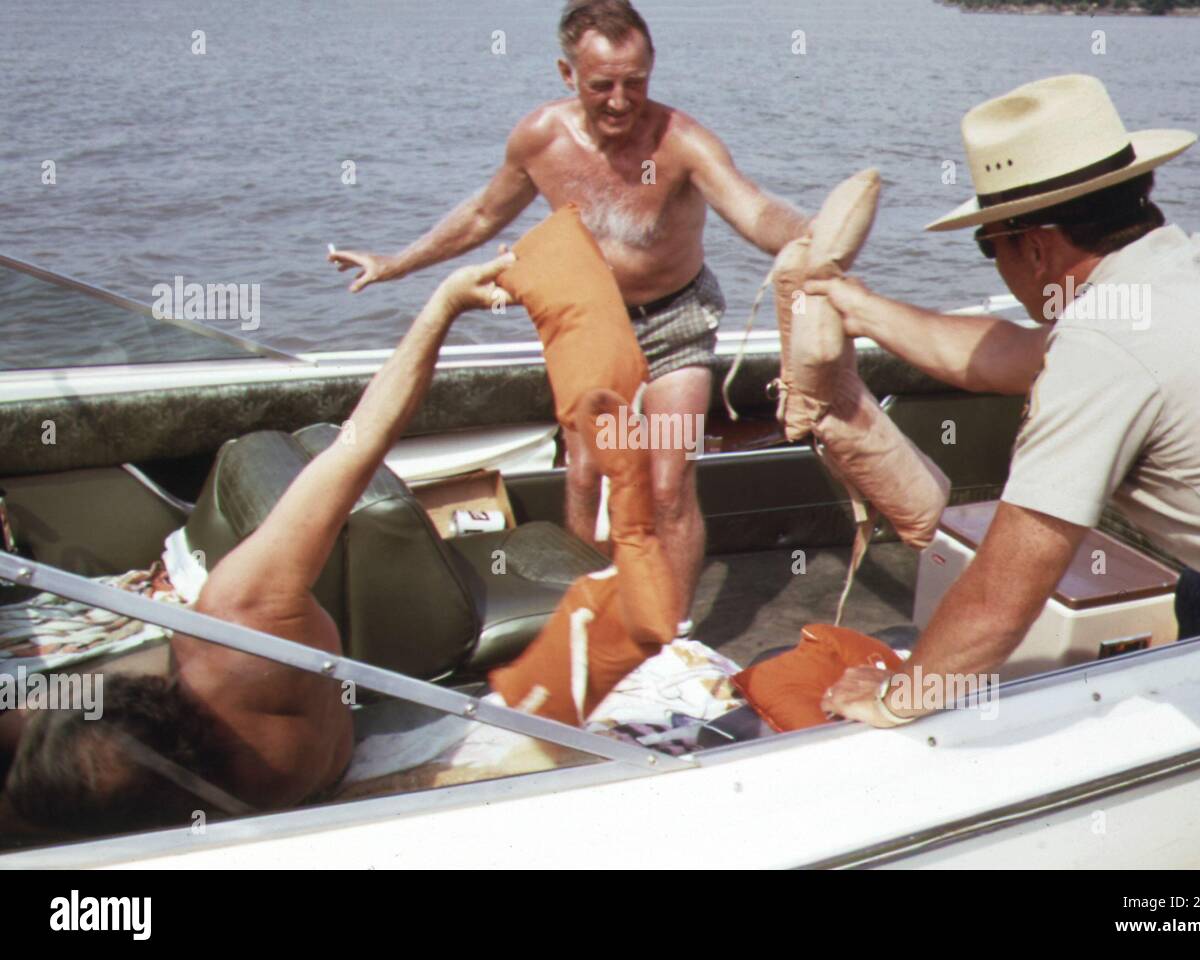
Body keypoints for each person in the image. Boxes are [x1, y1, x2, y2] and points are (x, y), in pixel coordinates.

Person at [810, 74, 1200, 727]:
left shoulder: (1105, 347)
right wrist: (860, 309)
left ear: (1035, 247)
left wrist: (893, 696)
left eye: (989, 246)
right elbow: (1017, 355)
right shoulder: (1194, 266)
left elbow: (1005, 592)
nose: (994, 263)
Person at [328, 0, 809, 625]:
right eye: (600, 85)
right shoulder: (540, 139)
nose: (618, 100)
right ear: (566, 75)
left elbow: (755, 212)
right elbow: (481, 215)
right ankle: (587, 616)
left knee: (668, 483)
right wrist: (396, 263)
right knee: (585, 475)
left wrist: (817, 236)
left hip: (677, 321)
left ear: (652, 68)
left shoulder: (684, 143)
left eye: (634, 82)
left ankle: (676, 632)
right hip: (589, 321)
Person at [3, 256, 515, 833]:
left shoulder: (234, 634)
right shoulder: (245, 625)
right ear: (153, 690)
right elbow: (360, 441)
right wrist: (442, 306)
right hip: (322, 763)